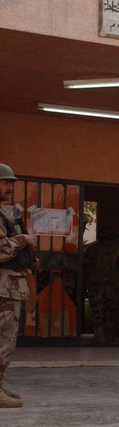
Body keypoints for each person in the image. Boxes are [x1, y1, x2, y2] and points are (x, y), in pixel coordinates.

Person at [0, 163, 34, 408]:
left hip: (10, 287)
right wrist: (22, 239)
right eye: (5, 182)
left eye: (11, 183)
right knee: (3, 339)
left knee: (7, 338)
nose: (10, 187)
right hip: (3, 288)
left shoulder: (3, 214)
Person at [83, 229, 119, 345]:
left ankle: (100, 338)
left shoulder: (92, 249)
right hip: (111, 285)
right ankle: (108, 337)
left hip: (96, 285)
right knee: (110, 311)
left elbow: (86, 266)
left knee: (97, 311)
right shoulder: (117, 250)